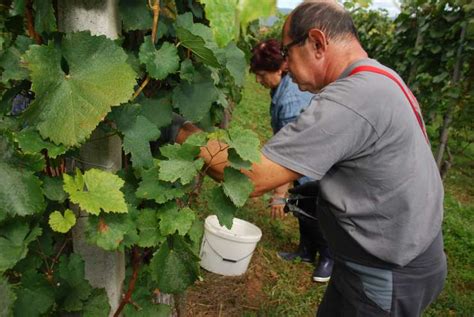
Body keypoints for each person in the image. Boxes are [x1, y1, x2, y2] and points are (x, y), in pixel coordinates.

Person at [172, 1, 447, 316]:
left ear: (317, 43)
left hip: (386, 272)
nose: (284, 66)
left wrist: (177, 130)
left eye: (287, 53)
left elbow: (251, 176)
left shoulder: (351, 99)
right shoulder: (381, 76)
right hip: (403, 254)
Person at [250, 38, 333, 282]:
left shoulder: (290, 100)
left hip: (311, 162)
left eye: (262, 74)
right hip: (303, 161)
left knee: (317, 208)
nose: (258, 79)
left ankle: (328, 257)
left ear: (279, 69)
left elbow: (292, 156)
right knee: (302, 203)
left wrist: (278, 194)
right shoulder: (280, 88)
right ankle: (306, 251)